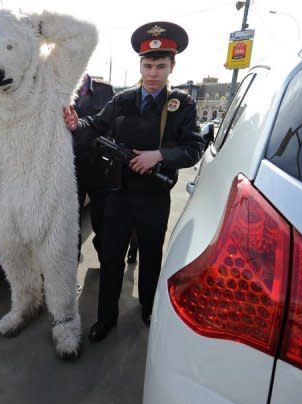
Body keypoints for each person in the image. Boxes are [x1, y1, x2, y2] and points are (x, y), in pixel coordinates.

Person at [63, 21, 204, 343]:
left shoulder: (181, 104)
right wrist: (76, 123)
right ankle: (105, 318)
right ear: (140, 65)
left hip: (153, 195)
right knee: (110, 256)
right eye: (148, 65)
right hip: (118, 193)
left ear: (172, 67)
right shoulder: (123, 100)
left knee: (151, 254)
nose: (153, 72)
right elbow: (96, 125)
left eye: (161, 66)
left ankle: (148, 308)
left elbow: (194, 148)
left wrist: (159, 155)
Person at [73, 74, 114, 258]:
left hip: (101, 166)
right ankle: (70, 270)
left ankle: (106, 263)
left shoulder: (104, 90)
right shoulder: (59, 88)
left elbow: (113, 123)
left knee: (103, 220)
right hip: (71, 168)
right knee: (71, 224)